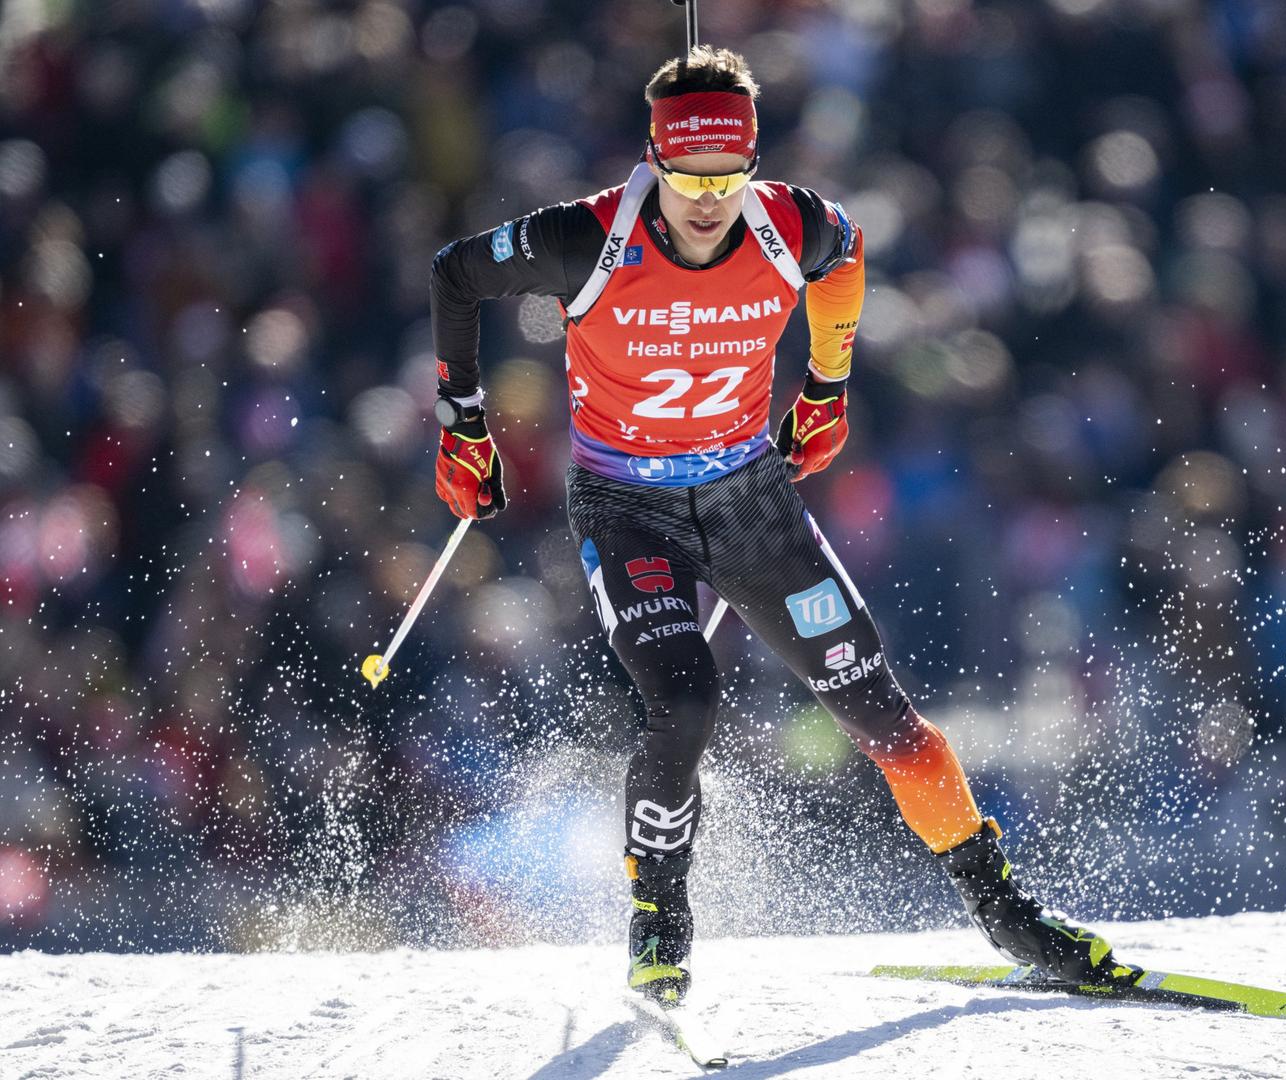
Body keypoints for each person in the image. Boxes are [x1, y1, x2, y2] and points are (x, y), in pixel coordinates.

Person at [426, 46, 1127, 1005]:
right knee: (683, 701)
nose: (708, 201)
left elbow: (844, 258)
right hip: (628, 508)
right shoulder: (582, 237)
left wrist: (828, 383)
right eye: (687, 177)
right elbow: (455, 276)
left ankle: (1007, 912)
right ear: (653, 162)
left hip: (747, 498)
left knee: (888, 721)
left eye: (727, 176)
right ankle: (660, 918)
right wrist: (463, 425)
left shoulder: (790, 221)